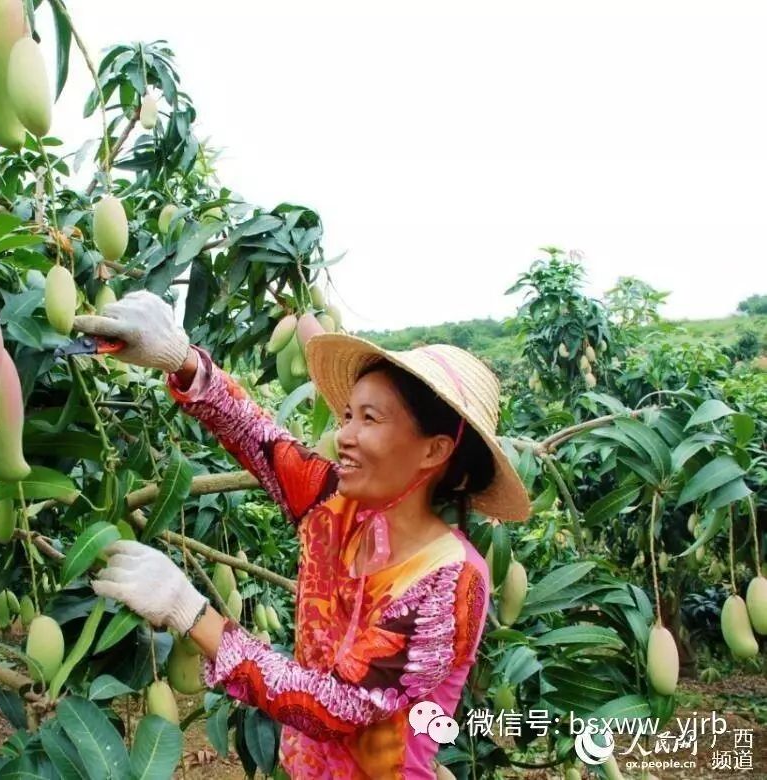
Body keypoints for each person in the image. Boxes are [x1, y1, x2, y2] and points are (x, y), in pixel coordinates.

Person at [73, 291, 530, 779]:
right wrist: (182, 362)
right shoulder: (333, 505)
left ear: (433, 450)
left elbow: (337, 707)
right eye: (348, 416)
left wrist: (193, 615)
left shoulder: (451, 581)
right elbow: (262, 441)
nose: (346, 436)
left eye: (370, 419)